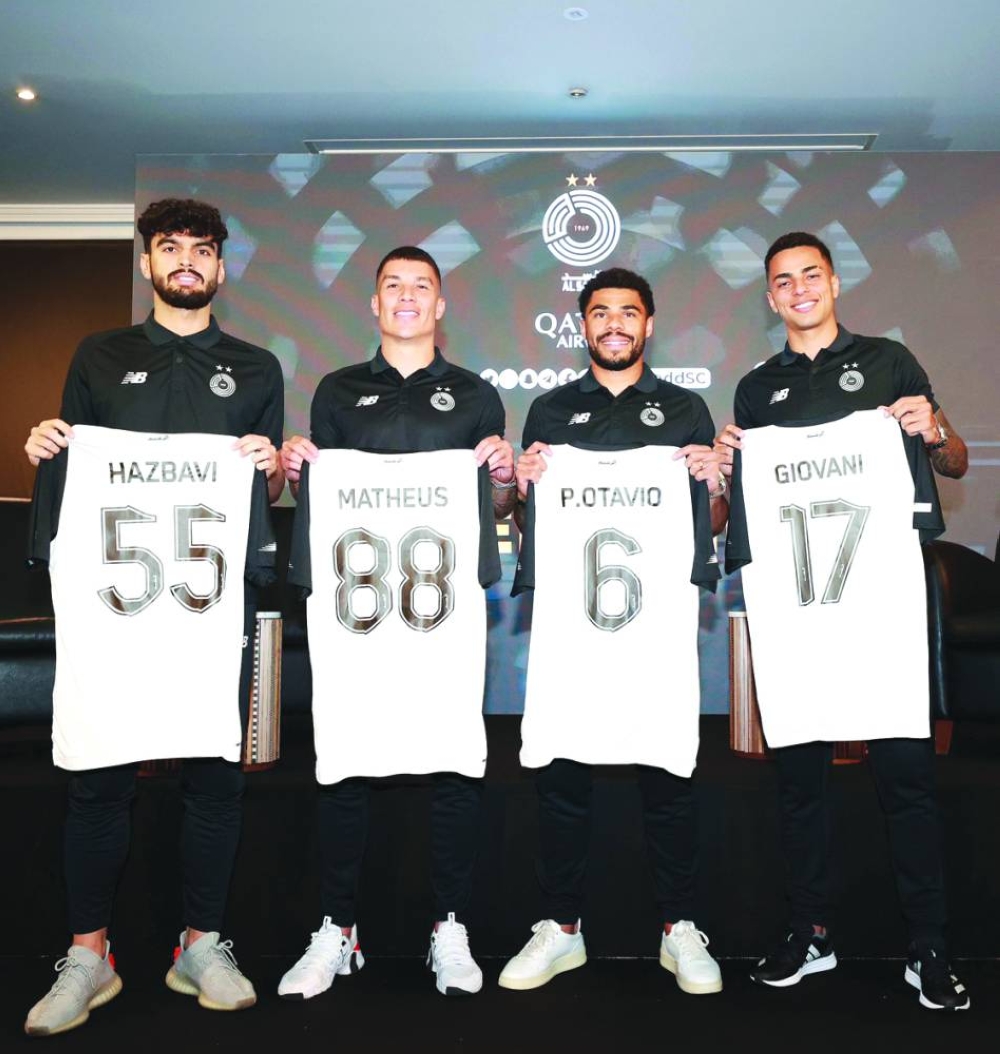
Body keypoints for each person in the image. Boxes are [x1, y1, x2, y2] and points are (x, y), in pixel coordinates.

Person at [23, 198, 285, 1036]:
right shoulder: (99, 355)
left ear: (219, 266)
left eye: (200, 250)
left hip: (211, 608)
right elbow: (69, 469)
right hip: (117, 608)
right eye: (168, 248)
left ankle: (201, 943)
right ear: (145, 263)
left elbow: (267, 493)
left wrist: (269, 466)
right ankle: (90, 954)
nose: (185, 262)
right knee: (98, 775)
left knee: (215, 778)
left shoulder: (255, 368)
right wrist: (49, 450)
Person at [715, 231, 970, 1011]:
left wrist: (932, 428)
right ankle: (810, 933)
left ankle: (927, 943)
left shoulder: (891, 363)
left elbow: (953, 461)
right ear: (770, 298)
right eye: (783, 280)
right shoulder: (758, 391)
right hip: (799, 615)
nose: (798, 289)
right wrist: (725, 472)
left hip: (882, 611)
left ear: (833, 283)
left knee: (907, 781)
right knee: (801, 786)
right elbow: (737, 507)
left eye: (810, 275)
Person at [278, 246, 515, 999]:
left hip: (444, 618)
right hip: (358, 618)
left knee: (454, 764)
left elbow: (497, 511)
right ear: (374, 305)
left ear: (440, 307)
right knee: (344, 761)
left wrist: (505, 481)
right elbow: (320, 502)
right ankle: (338, 928)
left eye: (422, 287)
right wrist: (295, 472)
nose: (407, 297)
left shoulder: (476, 395)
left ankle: (450, 926)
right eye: (393, 287)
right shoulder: (338, 392)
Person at [498, 267, 728, 995]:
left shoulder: (687, 410)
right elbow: (526, 518)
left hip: (655, 632)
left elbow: (710, 526)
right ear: (584, 326)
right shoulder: (551, 412)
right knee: (564, 775)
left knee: (668, 776)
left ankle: (680, 927)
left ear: (648, 324)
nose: (615, 324)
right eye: (601, 313)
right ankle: (561, 927)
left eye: (628, 312)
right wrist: (522, 484)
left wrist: (715, 482)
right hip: (573, 630)